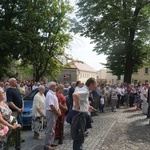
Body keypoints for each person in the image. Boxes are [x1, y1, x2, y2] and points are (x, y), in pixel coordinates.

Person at [72, 77, 96, 150]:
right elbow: (75, 95)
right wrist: (77, 105)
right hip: (80, 116)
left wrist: (87, 107)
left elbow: (81, 100)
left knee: (79, 136)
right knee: (79, 137)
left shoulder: (83, 89)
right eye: (94, 85)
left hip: (80, 115)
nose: (95, 87)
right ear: (91, 84)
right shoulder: (85, 91)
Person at [44, 82, 61, 150]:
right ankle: (47, 145)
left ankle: (51, 142)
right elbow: (51, 106)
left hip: (53, 112)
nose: (56, 87)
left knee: (52, 129)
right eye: (55, 86)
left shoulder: (52, 94)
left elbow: (55, 104)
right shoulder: (50, 94)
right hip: (51, 112)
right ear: (51, 86)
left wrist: (58, 110)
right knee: (50, 129)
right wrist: (57, 112)